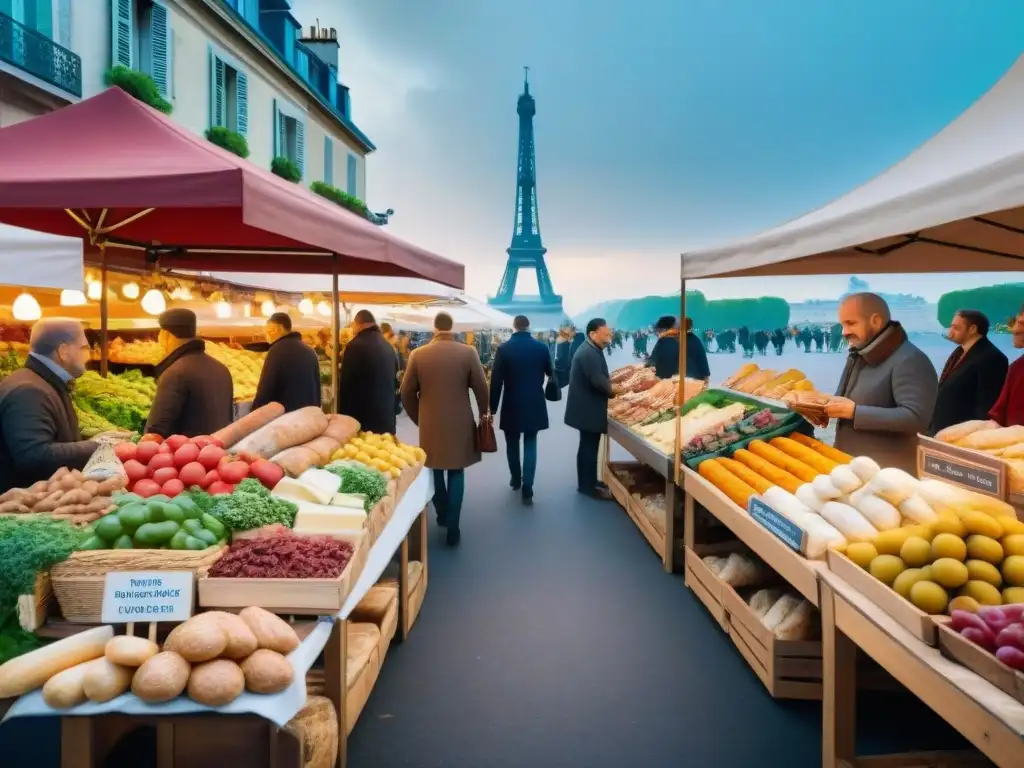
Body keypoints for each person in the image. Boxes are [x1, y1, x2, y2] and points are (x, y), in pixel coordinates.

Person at [400, 312, 489, 547]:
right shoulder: (468, 352)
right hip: (460, 420)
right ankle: (453, 526)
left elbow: (406, 391)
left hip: (430, 421)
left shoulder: (418, 355)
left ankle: (440, 512)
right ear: (452, 327)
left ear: (434, 328)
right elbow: (481, 387)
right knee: (457, 470)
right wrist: (484, 413)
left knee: (435, 468)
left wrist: (418, 416)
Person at [826, 293, 937, 472]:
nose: (844, 332)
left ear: (875, 321)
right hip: (853, 469)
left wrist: (855, 412)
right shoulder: (860, 352)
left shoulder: (910, 359)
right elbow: (845, 399)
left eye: (851, 323)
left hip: (887, 476)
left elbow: (916, 419)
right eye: (842, 324)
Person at [0, 319, 98, 493]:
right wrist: (98, 446)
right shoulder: (28, 391)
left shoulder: (43, 382)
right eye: (83, 348)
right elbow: (34, 455)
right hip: (21, 509)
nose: (88, 356)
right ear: (63, 351)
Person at [489, 315, 554, 505]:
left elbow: (496, 381)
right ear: (528, 326)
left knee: (511, 442)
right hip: (534, 401)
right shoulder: (541, 348)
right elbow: (551, 372)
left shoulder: (503, 349)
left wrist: (492, 408)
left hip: (512, 402)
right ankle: (528, 485)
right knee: (531, 441)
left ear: (514, 327)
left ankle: (516, 479)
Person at [146, 308, 233, 438]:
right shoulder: (222, 369)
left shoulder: (175, 373)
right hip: (216, 452)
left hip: (186, 455)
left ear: (165, 335)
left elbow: (157, 430)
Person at [565, 318, 622, 499]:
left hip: (584, 407)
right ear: (593, 334)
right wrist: (617, 391)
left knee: (588, 446)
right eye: (606, 334)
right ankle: (588, 487)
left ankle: (588, 481)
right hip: (587, 408)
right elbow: (598, 381)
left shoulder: (590, 349)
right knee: (589, 448)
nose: (609, 337)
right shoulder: (589, 353)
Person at [929, 309, 1007, 434]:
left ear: (972, 329)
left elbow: (986, 404)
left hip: (964, 435)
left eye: (955, 328)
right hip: (943, 431)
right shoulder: (959, 352)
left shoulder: (992, 358)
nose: (950, 332)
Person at [338, 309, 401, 435]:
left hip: (364, 421)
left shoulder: (354, 346)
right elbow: (397, 381)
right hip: (386, 418)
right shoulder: (389, 347)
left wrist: (343, 418)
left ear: (359, 324)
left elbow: (346, 386)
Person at [252, 313, 321, 413]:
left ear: (276, 329)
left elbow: (266, 388)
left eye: (268, 330)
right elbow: (317, 388)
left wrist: (255, 413)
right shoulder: (310, 351)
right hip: (308, 416)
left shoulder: (276, 351)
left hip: (286, 418)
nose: (267, 335)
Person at [989, 307, 1024, 427]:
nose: (1015, 329)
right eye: (1018, 322)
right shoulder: (1016, 368)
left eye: (1022, 324)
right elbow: (997, 415)